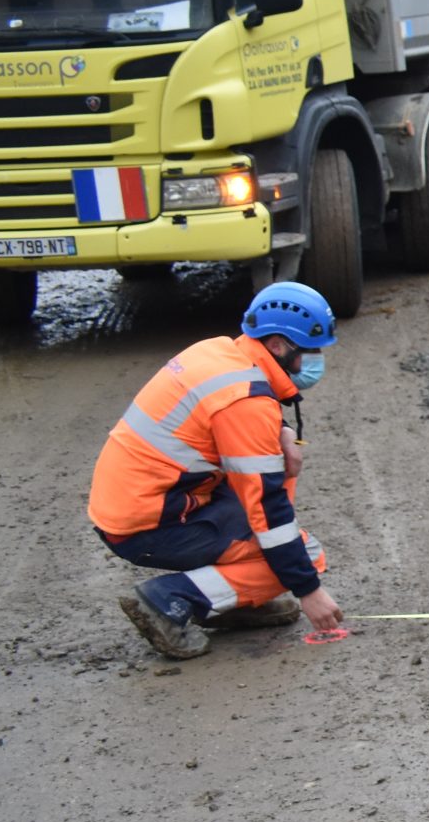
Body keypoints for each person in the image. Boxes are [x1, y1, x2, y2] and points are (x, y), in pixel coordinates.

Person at [89, 282, 344, 659]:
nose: (316, 359)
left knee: (266, 520)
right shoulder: (245, 402)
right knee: (305, 552)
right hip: (148, 521)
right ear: (278, 345)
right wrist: (308, 590)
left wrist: (282, 431)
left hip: (138, 501)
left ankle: (233, 603)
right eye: (311, 349)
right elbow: (267, 509)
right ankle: (169, 600)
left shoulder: (218, 352)